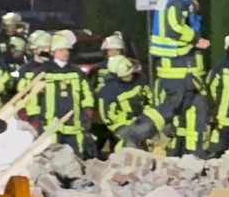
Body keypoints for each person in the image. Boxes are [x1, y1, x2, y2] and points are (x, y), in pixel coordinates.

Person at [118, 0, 211, 157]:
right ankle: (136, 133)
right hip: (177, 67)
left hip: (182, 66)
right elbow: (174, 27)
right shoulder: (177, 0)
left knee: (198, 105)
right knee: (170, 107)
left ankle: (196, 153)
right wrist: (196, 39)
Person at [24, 30, 97, 158]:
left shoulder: (76, 72)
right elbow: (33, 99)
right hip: (50, 129)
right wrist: (35, 119)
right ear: (53, 52)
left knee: (76, 160)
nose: (66, 53)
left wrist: (87, 112)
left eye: (67, 50)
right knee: (52, 161)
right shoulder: (42, 73)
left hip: (74, 127)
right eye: (62, 50)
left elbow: (87, 95)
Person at [97, 55, 146, 155]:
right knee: (130, 142)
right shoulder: (107, 91)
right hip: (121, 125)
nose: (130, 77)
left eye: (130, 74)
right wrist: (126, 118)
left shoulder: (137, 82)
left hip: (140, 121)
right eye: (126, 75)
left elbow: (146, 100)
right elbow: (106, 116)